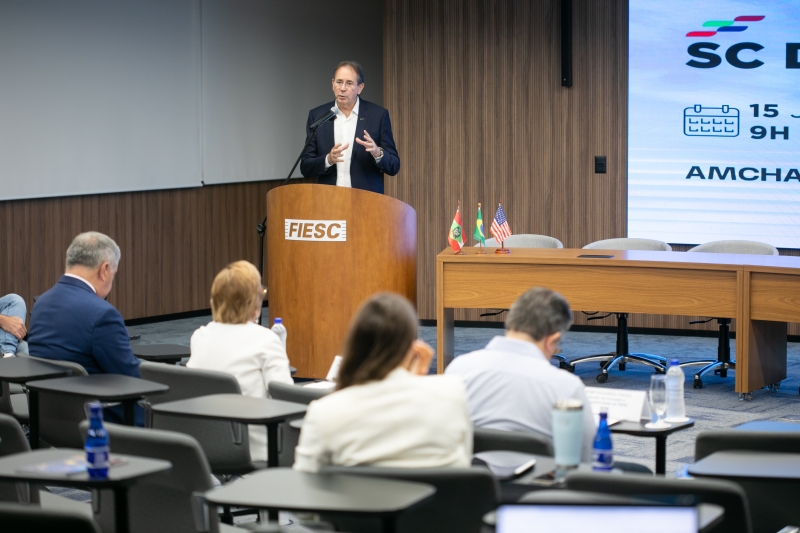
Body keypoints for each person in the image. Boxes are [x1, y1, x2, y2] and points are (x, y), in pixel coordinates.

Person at [293, 293, 471, 472]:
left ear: (354, 345)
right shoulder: (453, 394)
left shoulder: (324, 412)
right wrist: (415, 382)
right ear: (412, 346)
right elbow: (463, 465)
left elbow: (305, 480)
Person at [445, 287, 596, 462]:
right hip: (538, 487)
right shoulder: (566, 387)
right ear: (552, 340)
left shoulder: (459, 368)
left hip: (470, 484)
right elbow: (586, 458)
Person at [28, 231, 142, 424]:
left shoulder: (42, 304)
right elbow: (132, 377)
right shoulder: (103, 314)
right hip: (105, 424)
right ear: (104, 270)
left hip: (51, 421)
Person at [186, 260, 294, 462]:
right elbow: (286, 398)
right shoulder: (265, 339)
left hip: (205, 444)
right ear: (254, 303)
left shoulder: (200, 336)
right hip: (260, 448)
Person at [299, 61, 400, 194]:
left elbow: (394, 166)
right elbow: (305, 167)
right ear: (332, 83)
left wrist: (378, 153)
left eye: (349, 83)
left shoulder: (378, 115)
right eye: (339, 82)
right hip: (328, 201)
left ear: (360, 87)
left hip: (367, 202)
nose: (342, 88)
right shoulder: (318, 116)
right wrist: (328, 159)